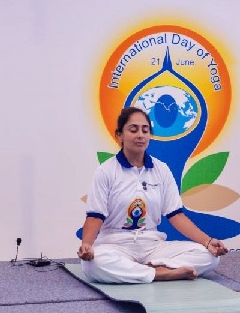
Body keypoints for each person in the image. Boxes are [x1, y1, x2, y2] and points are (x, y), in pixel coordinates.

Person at [77, 107, 228, 283]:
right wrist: (86, 245)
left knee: (209, 257)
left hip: (152, 246)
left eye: (145, 130)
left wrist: (208, 242)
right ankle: (162, 273)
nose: (140, 135)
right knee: (93, 264)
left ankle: (145, 270)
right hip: (115, 245)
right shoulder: (106, 171)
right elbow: (95, 216)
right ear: (119, 135)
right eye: (133, 130)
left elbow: (176, 215)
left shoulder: (161, 169)